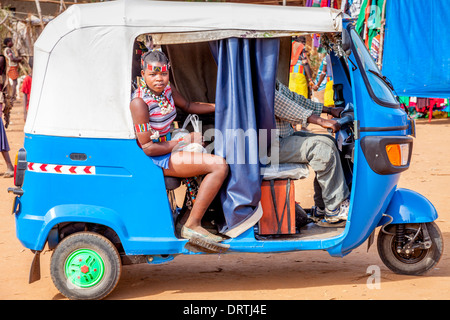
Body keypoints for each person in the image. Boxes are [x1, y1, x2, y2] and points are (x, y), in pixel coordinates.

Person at [129, 50, 229, 252]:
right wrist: (185, 140)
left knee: (212, 149)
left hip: (170, 145)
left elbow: (189, 105)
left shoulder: (166, 89)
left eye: (163, 74)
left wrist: (222, 107)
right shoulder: (139, 103)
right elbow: (148, 148)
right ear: (143, 73)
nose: (159, 79)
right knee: (219, 166)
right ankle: (192, 224)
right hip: (157, 157)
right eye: (153, 74)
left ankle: (187, 215)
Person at [273, 80, 350, 223]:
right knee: (322, 149)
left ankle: (323, 206)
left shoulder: (271, 79)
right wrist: (322, 122)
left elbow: (295, 100)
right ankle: (335, 208)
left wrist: (329, 110)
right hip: (268, 145)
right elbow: (286, 107)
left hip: (280, 138)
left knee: (329, 142)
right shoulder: (257, 80)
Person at [0, 52, 14, 178]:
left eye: (1, 66)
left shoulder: (5, 80)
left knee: (1, 139)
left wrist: (7, 115)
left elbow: (8, 99)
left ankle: (10, 166)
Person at [3, 38, 22, 102]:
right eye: (11, 41)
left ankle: (12, 96)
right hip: (11, 67)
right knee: (15, 82)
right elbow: (11, 59)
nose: (12, 43)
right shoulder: (8, 50)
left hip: (12, 67)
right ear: (8, 43)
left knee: (14, 83)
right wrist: (18, 59)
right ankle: (12, 98)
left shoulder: (9, 50)